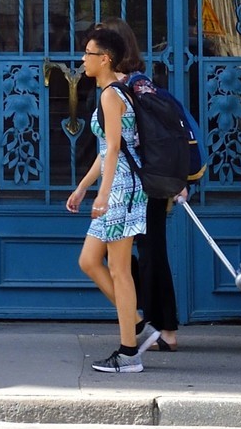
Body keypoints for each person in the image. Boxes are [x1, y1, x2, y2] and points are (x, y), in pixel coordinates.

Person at [67, 22, 148, 374]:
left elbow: (115, 148)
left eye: (89, 53)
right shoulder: (112, 93)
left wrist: (102, 195)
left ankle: (129, 352)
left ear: (106, 58)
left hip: (123, 189)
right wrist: (83, 186)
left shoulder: (111, 95)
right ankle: (140, 325)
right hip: (116, 186)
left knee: (118, 269)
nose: (83, 59)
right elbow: (105, 150)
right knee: (89, 260)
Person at [99, 18, 180, 353]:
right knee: (142, 254)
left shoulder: (132, 86)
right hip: (142, 184)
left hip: (144, 184)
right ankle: (152, 319)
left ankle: (164, 328)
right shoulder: (131, 84)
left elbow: (143, 140)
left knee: (150, 255)